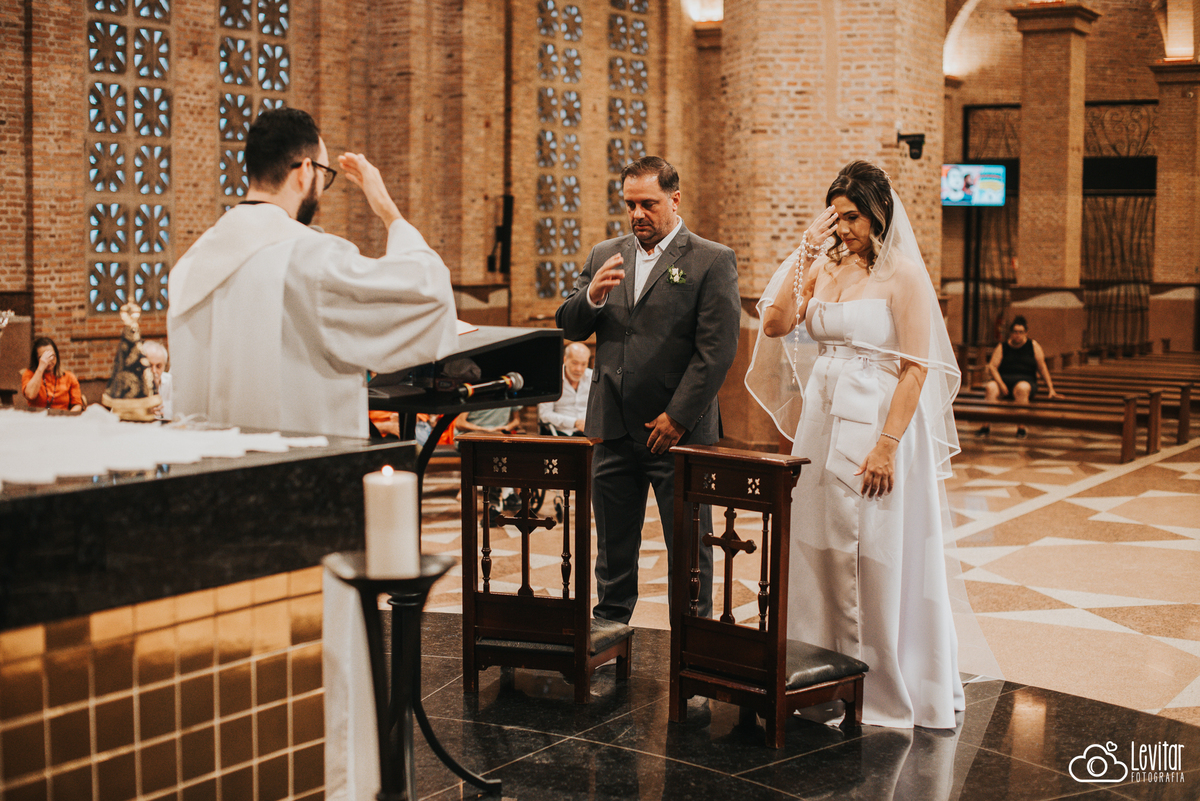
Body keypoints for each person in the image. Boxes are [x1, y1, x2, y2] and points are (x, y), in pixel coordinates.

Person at [747, 161, 984, 729]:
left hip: (881, 422)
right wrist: (804, 253)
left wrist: (887, 445)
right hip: (824, 419)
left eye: (853, 216)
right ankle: (821, 674)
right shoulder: (823, 266)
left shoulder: (903, 275)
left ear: (878, 215)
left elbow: (916, 368)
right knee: (818, 543)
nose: (845, 228)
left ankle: (883, 680)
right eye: (837, 217)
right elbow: (776, 324)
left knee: (876, 549)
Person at [167, 108, 457, 438]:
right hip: (301, 464)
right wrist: (391, 215)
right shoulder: (313, 260)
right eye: (324, 173)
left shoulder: (191, 265)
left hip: (209, 466)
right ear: (305, 171)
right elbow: (429, 296)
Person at [556, 156, 740, 624]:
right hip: (613, 427)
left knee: (689, 550)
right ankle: (609, 640)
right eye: (630, 204)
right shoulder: (604, 253)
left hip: (676, 434)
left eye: (648, 204)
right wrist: (591, 296)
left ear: (674, 199)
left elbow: (716, 351)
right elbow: (569, 325)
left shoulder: (710, 259)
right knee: (612, 553)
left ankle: (691, 644)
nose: (637, 213)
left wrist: (677, 416)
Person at [978, 315, 1062, 437]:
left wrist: (1051, 388)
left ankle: (1021, 428)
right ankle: (985, 426)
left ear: (1026, 333)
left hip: (1026, 381)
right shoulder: (1003, 347)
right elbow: (992, 366)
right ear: (1011, 333)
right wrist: (1001, 384)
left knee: (1021, 388)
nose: (1017, 335)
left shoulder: (1033, 346)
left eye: (1020, 332)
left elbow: (1042, 367)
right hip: (1004, 382)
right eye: (1015, 332)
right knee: (990, 387)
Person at [538, 342, 591, 435]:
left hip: (588, 432)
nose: (579, 369)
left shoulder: (592, 377)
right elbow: (544, 414)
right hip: (560, 432)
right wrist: (574, 422)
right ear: (565, 360)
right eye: (574, 363)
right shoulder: (551, 378)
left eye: (583, 364)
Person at [21, 337, 83, 411]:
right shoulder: (29, 374)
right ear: (36, 359)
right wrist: (41, 367)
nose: (49, 361)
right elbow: (30, 395)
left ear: (57, 355)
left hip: (63, 416)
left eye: (51, 356)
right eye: (43, 357)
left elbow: (77, 405)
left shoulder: (68, 377)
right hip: (38, 416)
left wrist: (67, 416)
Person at [141, 340, 173, 420]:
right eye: (149, 365)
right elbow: (115, 418)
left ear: (165, 366)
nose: (154, 370)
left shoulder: (172, 383)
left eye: (158, 366)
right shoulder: (130, 385)